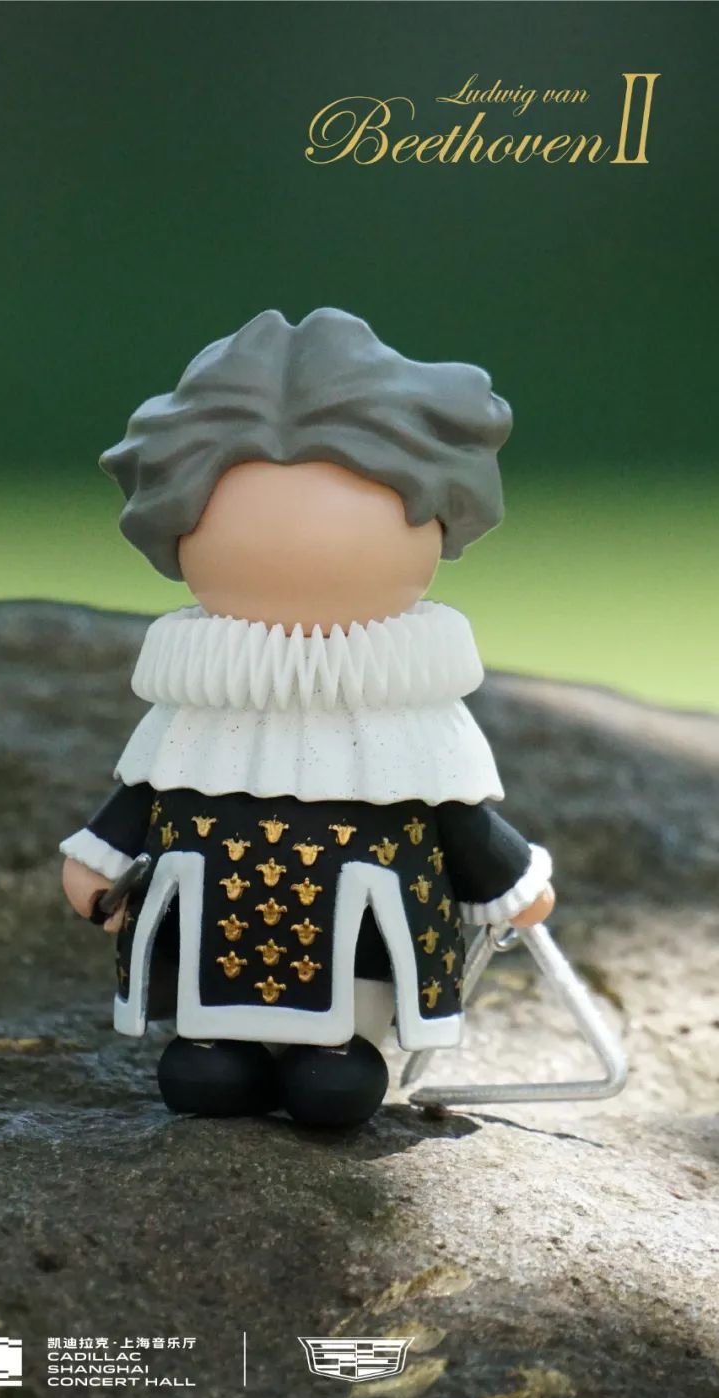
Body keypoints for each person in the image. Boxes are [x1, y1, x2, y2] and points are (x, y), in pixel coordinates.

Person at [60, 308, 554, 1127]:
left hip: (361, 951)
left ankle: (339, 1053)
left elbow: (458, 818)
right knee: (206, 1075)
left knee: (334, 1083)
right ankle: (222, 1046)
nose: (302, 544)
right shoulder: (197, 709)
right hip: (216, 940)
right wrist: (97, 860)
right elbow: (146, 794)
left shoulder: (413, 721)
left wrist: (510, 883)